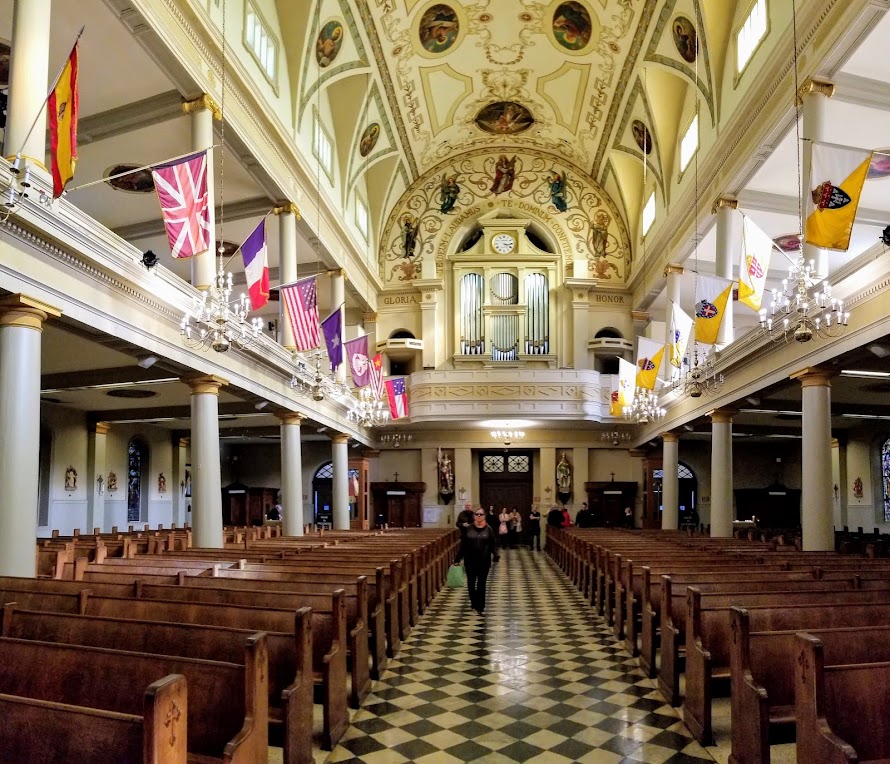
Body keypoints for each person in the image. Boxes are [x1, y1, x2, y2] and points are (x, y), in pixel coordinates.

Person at [460, 508, 496, 614]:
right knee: (471, 583)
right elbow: (463, 545)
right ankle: (474, 601)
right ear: (474, 516)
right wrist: (458, 558)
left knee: (481, 583)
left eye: (481, 514)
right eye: (477, 514)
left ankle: (481, 606)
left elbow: (492, 544)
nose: (479, 516)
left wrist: (495, 554)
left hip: (484, 560)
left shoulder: (489, 529)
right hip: (470, 560)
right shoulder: (468, 529)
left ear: (484, 516)